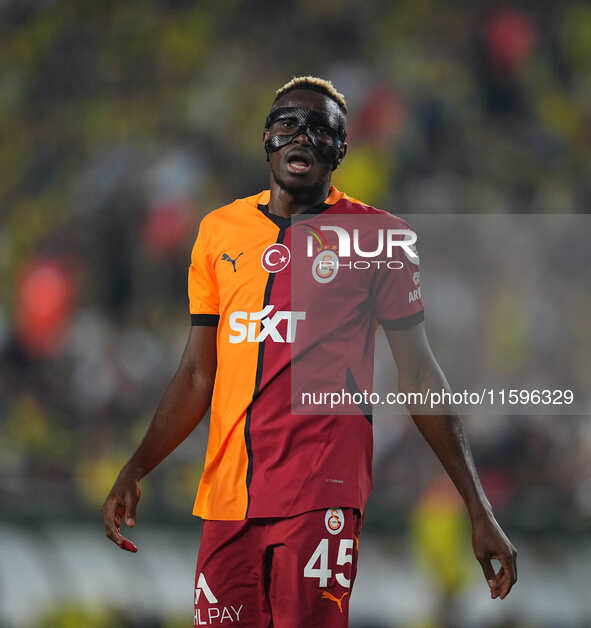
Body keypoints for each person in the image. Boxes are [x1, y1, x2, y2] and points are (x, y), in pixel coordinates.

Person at [102, 76, 517, 627]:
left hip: (322, 490)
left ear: (341, 150)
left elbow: (419, 374)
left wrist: (478, 507)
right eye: (289, 124)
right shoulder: (217, 233)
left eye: (323, 130)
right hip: (229, 499)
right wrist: (137, 467)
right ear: (267, 138)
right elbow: (199, 374)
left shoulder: (380, 239)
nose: (304, 136)